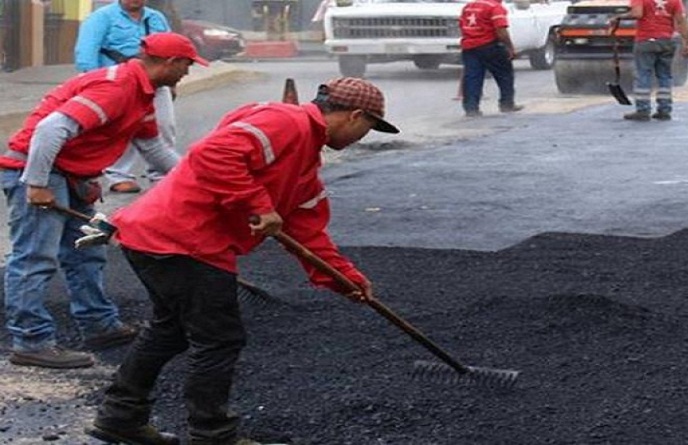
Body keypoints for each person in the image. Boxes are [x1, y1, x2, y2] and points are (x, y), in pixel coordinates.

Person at [84, 77, 399, 445]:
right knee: (218, 339)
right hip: (182, 240)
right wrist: (258, 205)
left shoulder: (305, 161)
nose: (364, 136)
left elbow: (307, 232)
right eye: (369, 127)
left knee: (170, 330)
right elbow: (213, 154)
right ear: (355, 115)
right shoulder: (287, 122)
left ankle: (120, 418)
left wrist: (345, 279)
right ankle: (212, 435)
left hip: (160, 236)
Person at [0, 32, 206, 369]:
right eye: (186, 65)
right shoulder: (117, 87)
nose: (187, 72)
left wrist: (198, 181)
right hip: (39, 169)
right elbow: (51, 130)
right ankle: (31, 341)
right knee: (36, 257)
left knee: (88, 250)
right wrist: (36, 184)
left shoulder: (142, 94)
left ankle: (99, 325)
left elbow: (154, 149)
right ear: (170, 62)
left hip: (71, 175)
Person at [75, 0, 173, 193]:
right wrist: (94, 83)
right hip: (119, 83)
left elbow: (171, 49)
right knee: (123, 128)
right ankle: (118, 175)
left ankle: (161, 175)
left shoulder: (156, 18)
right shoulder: (101, 17)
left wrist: (172, 81)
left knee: (164, 126)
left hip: (155, 81)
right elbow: (86, 52)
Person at [611, 0, 688, 121]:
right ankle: (664, 110)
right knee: (664, 76)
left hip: (645, 41)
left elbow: (637, 13)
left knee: (643, 74)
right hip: (666, 41)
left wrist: (618, 17)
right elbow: (681, 20)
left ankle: (643, 110)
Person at [458, 0, 523, 117]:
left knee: (472, 77)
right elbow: (501, 31)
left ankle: (471, 109)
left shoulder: (469, 6)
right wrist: (510, 48)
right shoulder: (495, 8)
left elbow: (462, 25)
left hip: (469, 47)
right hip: (490, 46)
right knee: (504, 75)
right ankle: (507, 104)